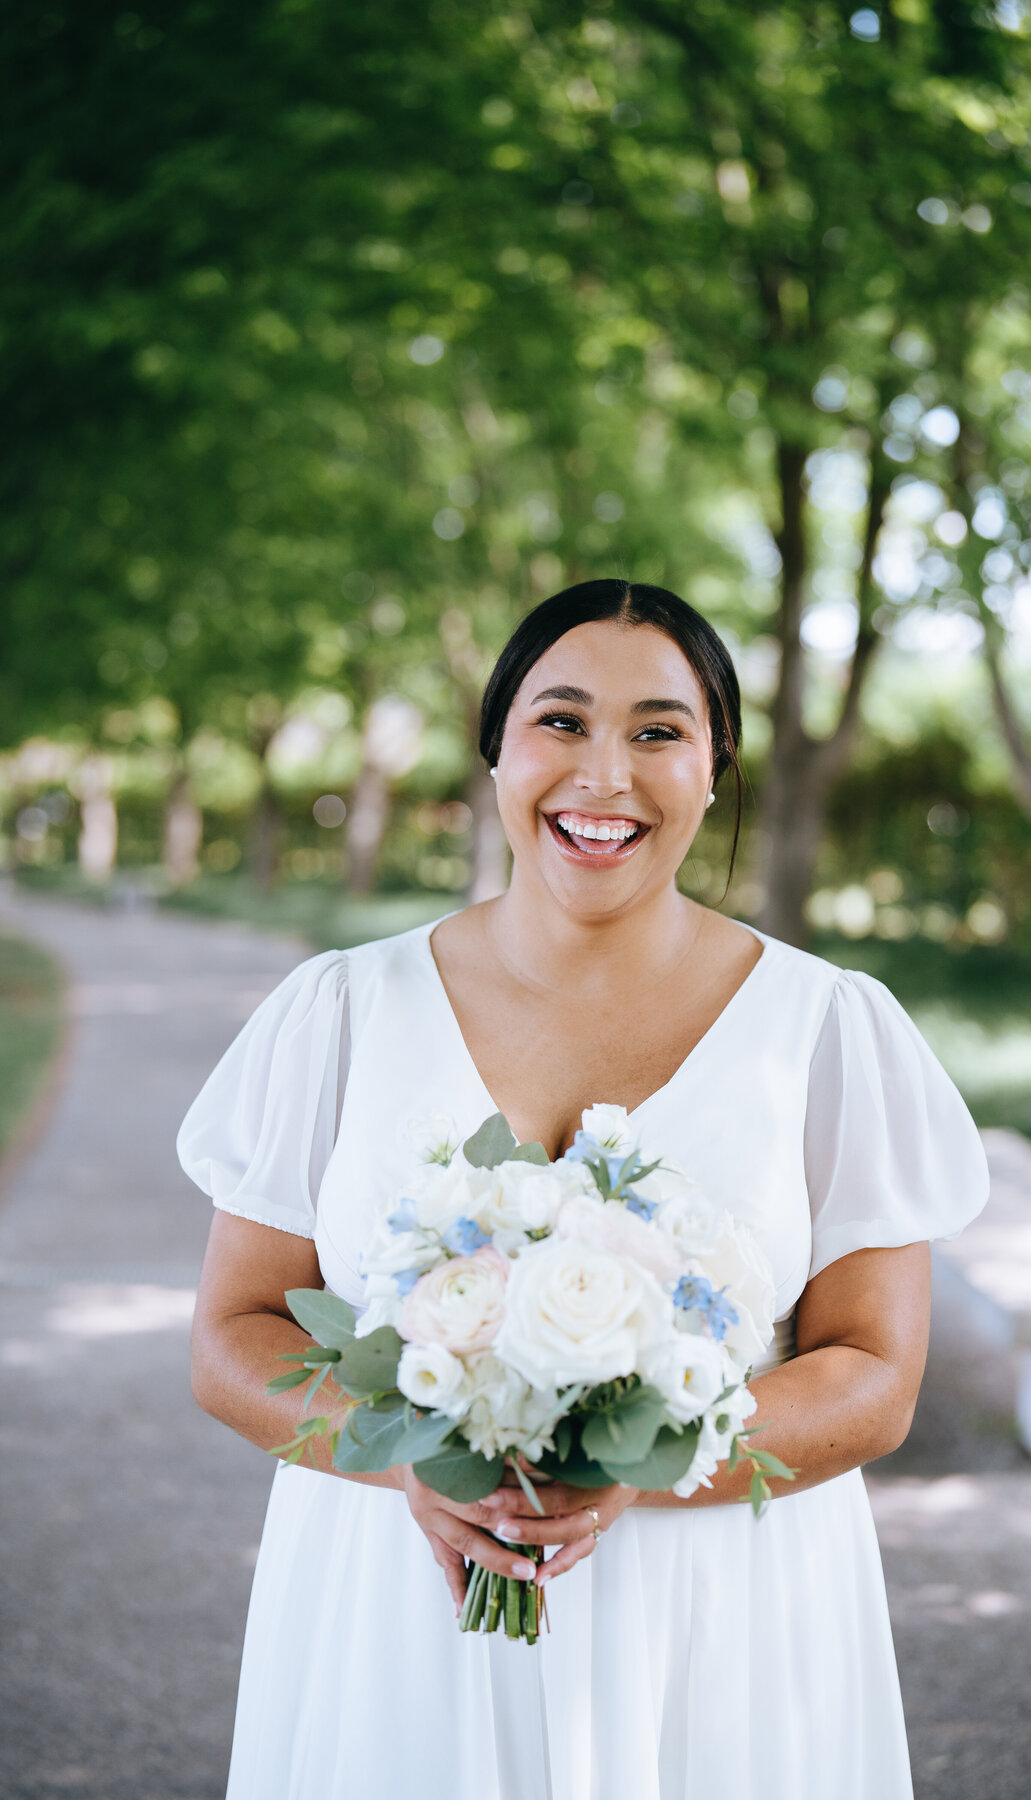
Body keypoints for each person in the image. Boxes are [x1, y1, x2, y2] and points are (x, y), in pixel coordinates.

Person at [179, 578, 989, 1800]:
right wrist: (412, 1459)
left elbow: (874, 1378)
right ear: (496, 753)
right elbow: (234, 1337)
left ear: (714, 770)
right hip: (395, 1618)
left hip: (722, 1625)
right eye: (560, 722)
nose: (604, 774)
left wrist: (645, 1463)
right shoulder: (340, 1009)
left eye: (659, 732)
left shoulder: (825, 1028)